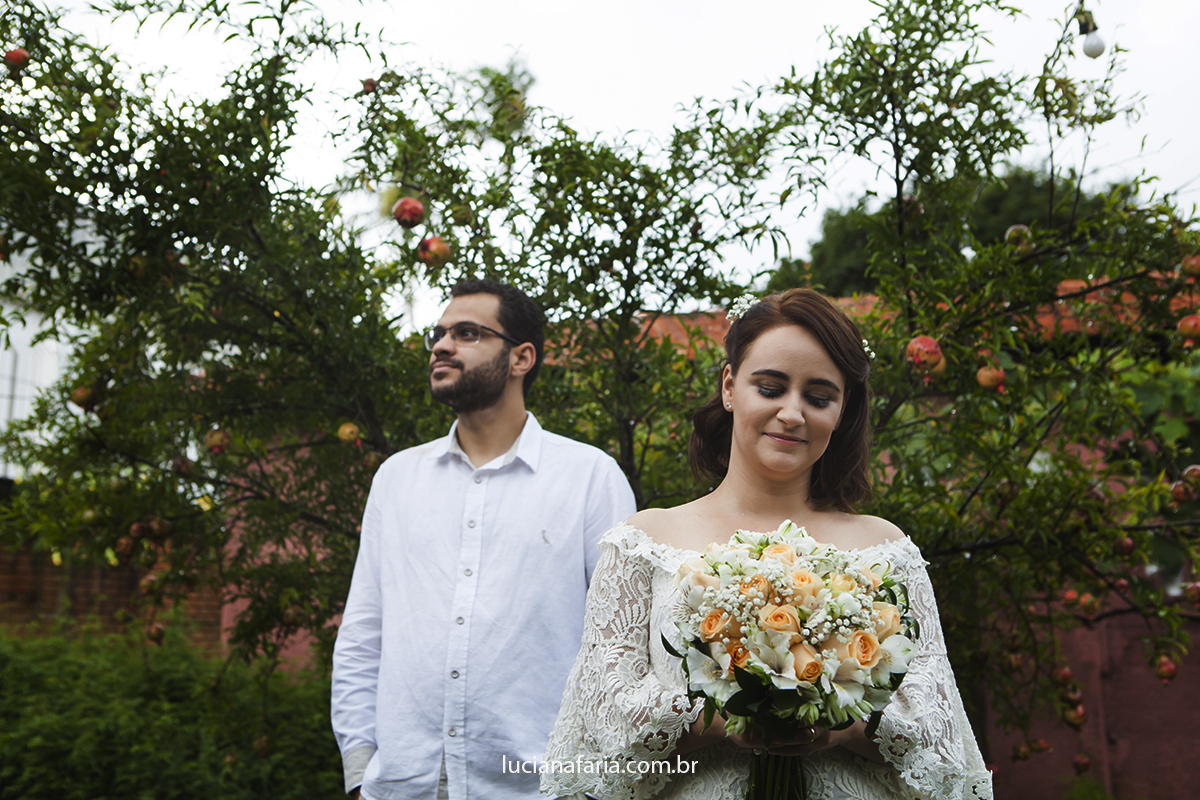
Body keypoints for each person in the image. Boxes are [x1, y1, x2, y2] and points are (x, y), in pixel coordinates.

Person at [542, 289, 992, 800]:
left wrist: (836, 723)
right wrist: (729, 717)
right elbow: (601, 732)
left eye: (819, 397)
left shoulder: (886, 549)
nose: (792, 413)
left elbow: (939, 740)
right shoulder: (643, 542)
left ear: (841, 411)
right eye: (771, 387)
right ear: (731, 386)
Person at [332, 279, 636, 800]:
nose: (442, 345)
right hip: (401, 786)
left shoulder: (590, 478)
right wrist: (360, 773)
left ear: (521, 358)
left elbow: (621, 650)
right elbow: (363, 634)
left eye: (467, 333)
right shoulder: (396, 479)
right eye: (439, 333)